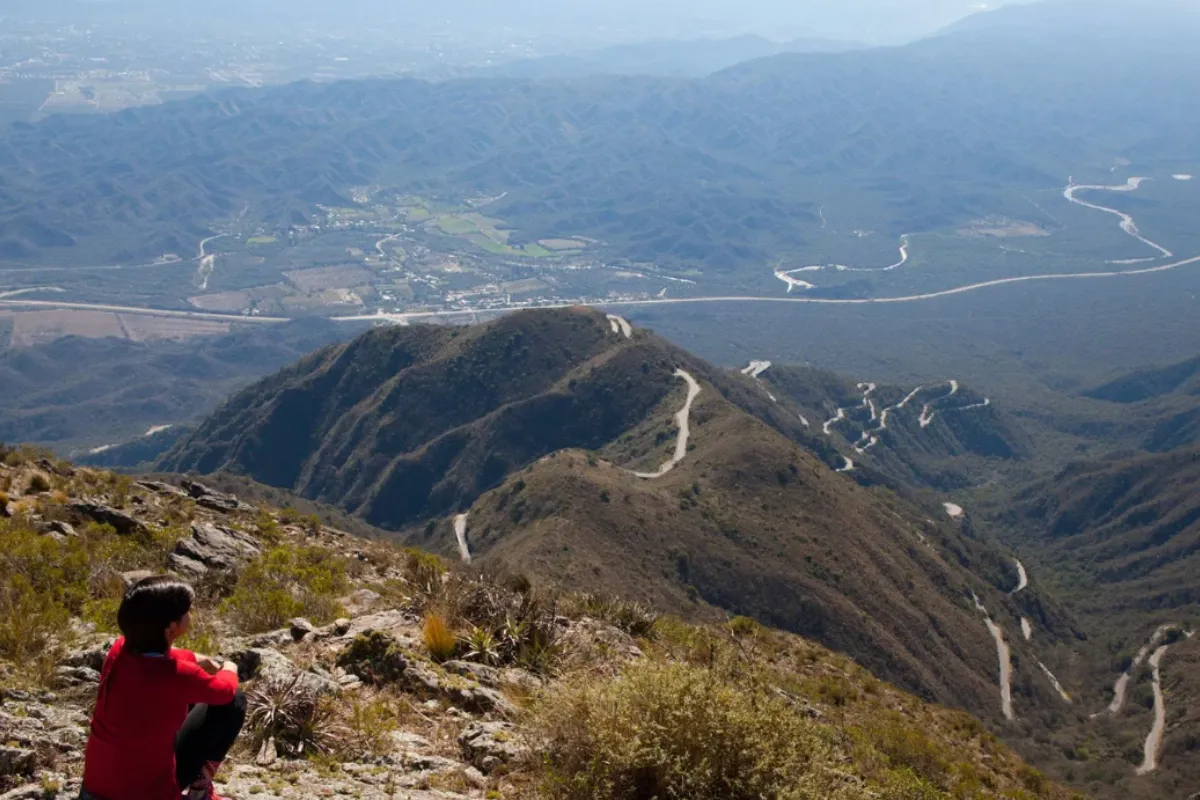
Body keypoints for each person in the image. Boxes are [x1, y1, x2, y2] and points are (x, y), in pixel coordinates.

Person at [80, 576, 246, 800]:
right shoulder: (178, 676)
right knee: (235, 700)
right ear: (170, 628)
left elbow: (157, 658)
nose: (191, 614)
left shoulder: (118, 651)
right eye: (187, 611)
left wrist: (195, 658)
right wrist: (230, 668)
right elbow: (224, 690)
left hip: (96, 787)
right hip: (148, 792)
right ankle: (199, 791)